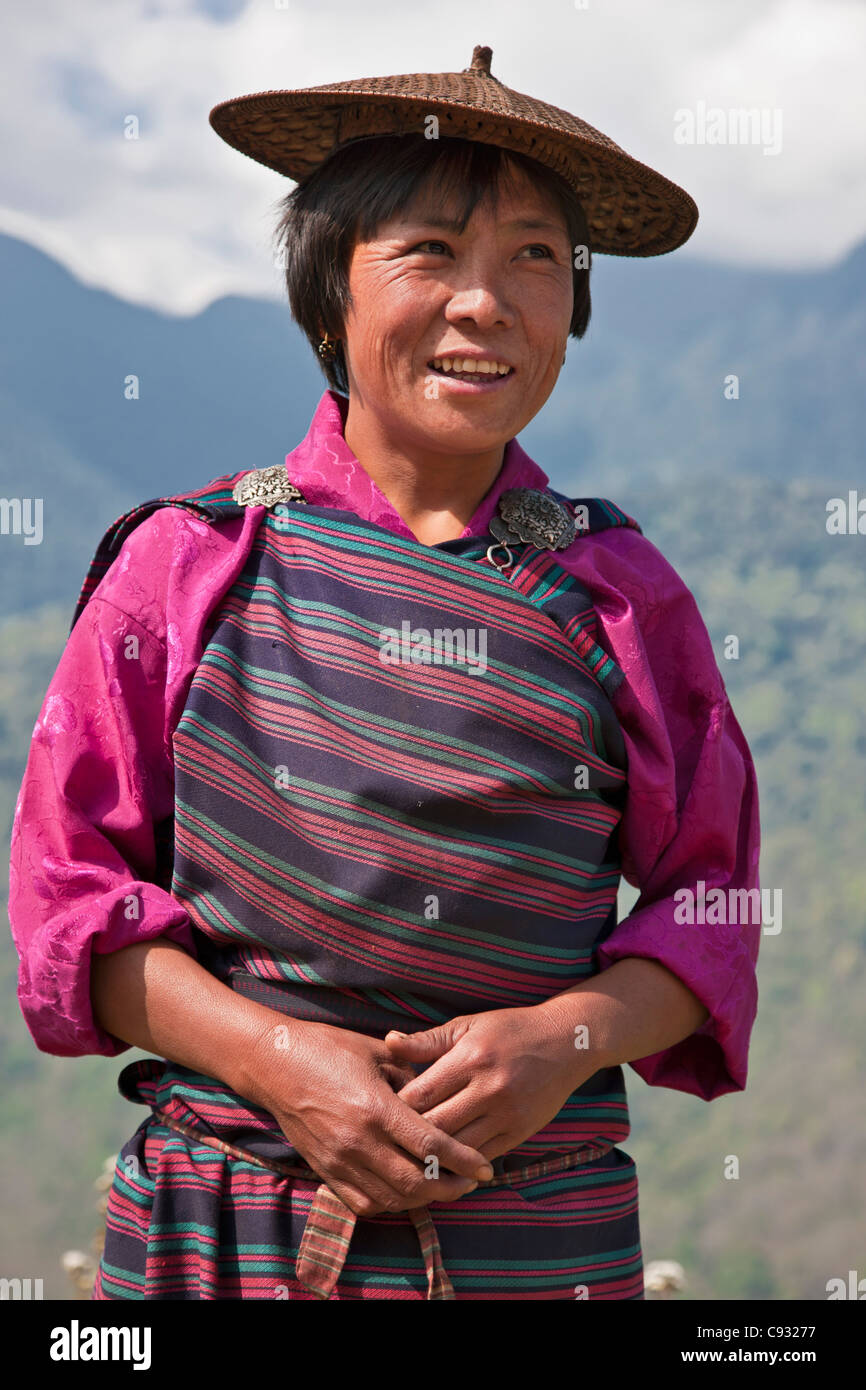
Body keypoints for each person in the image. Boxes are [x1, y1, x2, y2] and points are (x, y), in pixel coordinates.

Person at [7, 45, 761, 1300]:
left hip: (533, 1240)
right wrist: (279, 1061)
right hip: (226, 1225)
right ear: (326, 299)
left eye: (533, 257)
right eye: (427, 252)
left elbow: (714, 908)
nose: (485, 303)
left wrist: (557, 1039)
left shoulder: (621, 593)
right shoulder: (189, 565)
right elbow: (68, 908)